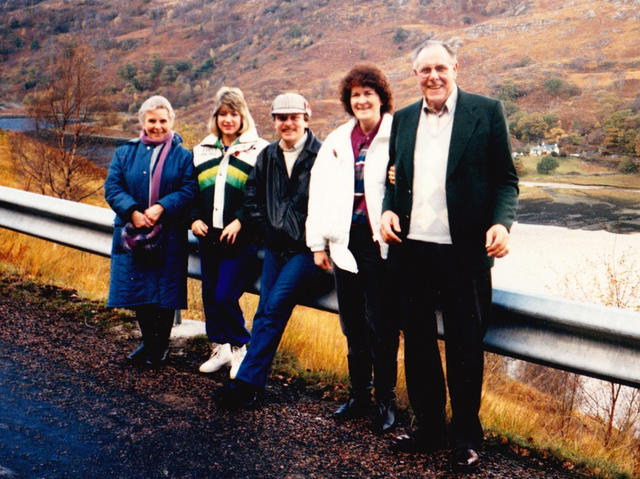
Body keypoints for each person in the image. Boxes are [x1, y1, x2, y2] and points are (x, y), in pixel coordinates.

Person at [380, 39, 519, 469]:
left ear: (456, 68)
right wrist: (387, 208)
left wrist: (501, 223)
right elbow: (394, 178)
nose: (433, 77)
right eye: (425, 70)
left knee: (463, 345)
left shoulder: (487, 111)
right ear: (415, 75)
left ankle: (465, 438)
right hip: (413, 251)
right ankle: (428, 428)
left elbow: (506, 181)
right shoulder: (402, 120)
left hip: (464, 253)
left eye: (441, 68)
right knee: (418, 344)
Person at [306, 65, 398, 433]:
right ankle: (359, 395)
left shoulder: (398, 134)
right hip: (345, 243)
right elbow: (320, 192)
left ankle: (386, 400)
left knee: (382, 325)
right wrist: (317, 243)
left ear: (381, 98)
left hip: (383, 245)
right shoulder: (338, 140)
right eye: (355, 95)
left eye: (368, 94)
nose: (361, 100)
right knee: (353, 325)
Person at [217, 93, 322, 409]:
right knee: (264, 310)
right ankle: (252, 384)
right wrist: (270, 230)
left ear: (307, 117)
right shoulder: (268, 156)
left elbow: (332, 202)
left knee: (274, 306)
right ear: (274, 120)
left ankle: (245, 383)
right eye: (281, 117)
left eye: (294, 116)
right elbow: (251, 198)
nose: (288, 123)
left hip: (308, 251)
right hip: (276, 249)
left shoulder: (324, 154)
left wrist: (307, 236)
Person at [105, 95, 197, 367]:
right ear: (143, 121)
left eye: (163, 121)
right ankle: (148, 342)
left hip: (168, 234)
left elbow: (189, 189)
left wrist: (162, 207)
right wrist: (132, 211)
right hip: (134, 234)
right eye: (152, 120)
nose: (157, 126)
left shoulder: (183, 156)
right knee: (139, 289)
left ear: (171, 122)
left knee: (164, 292)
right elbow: (113, 187)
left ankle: (160, 346)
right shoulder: (125, 153)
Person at [191, 87, 268, 377]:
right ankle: (220, 347)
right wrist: (193, 218)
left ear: (243, 116)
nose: (228, 119)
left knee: (225, 295)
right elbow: (191, 191)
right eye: (223, 114)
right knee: (210, 294)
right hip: (208, 236)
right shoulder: (202, 149)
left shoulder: (259, 149)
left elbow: (260, 193)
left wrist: (241, 221)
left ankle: (239, 347)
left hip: (240, 238)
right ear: (216, 117)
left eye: (234, 114)